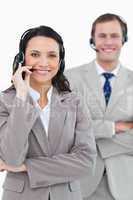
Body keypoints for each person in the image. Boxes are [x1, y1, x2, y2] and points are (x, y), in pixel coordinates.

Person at [0, 25, 96, 200]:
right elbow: (12, 158)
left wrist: (26, 167)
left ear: (60, 62)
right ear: (22, 59)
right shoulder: (5, 102)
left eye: (52, 55)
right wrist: (21, 96)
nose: (44, 63)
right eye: (35, 55)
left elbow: (86, 162)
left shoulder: (75, 102)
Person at [66, 13, 133, 200]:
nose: (108, 41)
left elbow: (82, 132)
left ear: (124, 40)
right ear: (92, 40)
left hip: (126, 186)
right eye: (102, 36)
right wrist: (115, 127)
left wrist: (91, 138)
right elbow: (67, 129)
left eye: (114, 36)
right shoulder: (70, 79)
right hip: (81, 184)